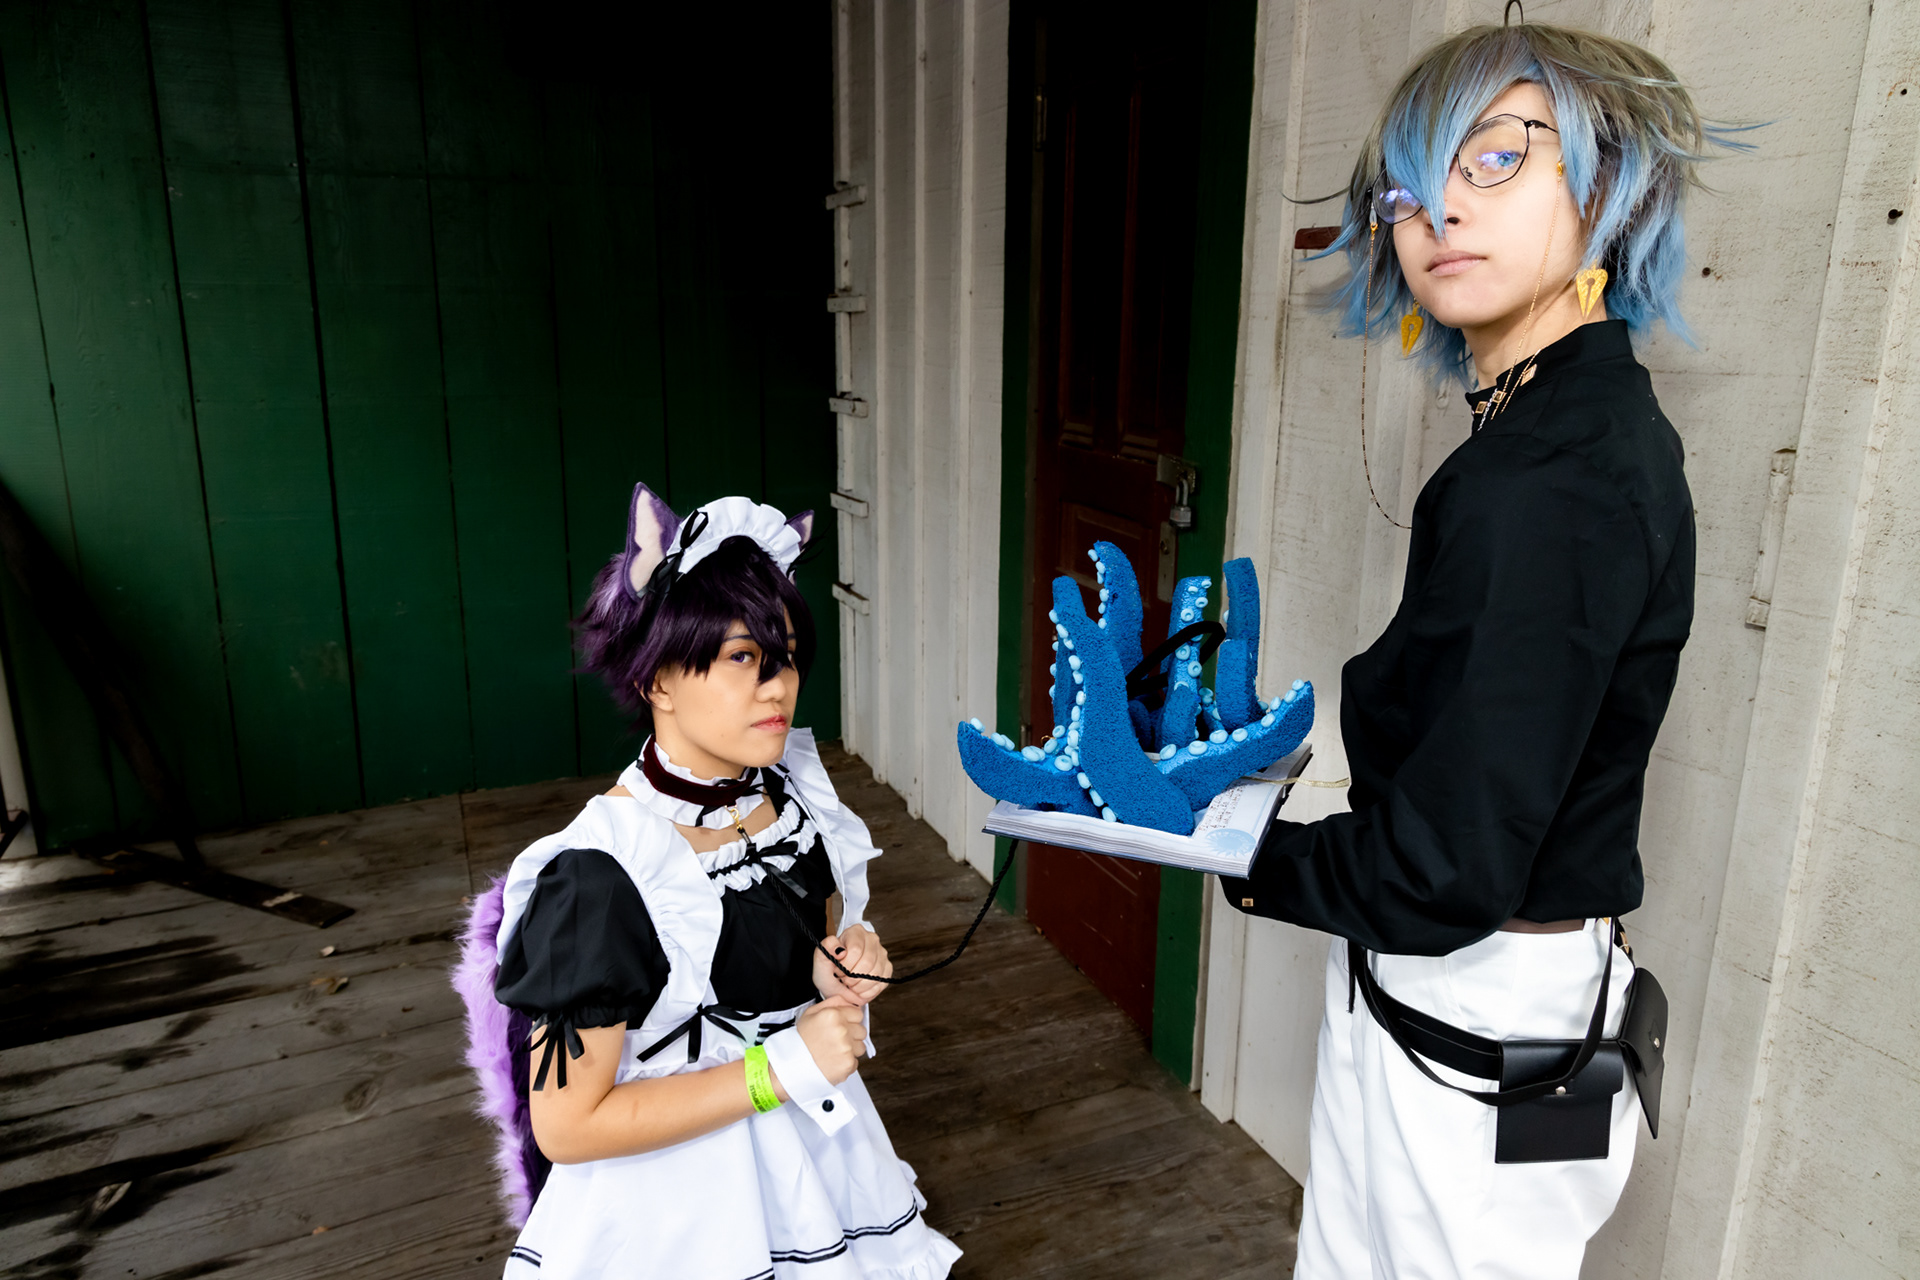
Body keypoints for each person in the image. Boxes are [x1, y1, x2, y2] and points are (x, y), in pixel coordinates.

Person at [1222, 21, 1742, 1280]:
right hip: (1508, 1007)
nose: (1440, 211)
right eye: (1408, 189)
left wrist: (1236, 852)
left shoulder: (1555, 473)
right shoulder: (1556, 427)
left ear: (1607, 185)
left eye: (1498, 158)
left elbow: (1445, 869)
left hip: (1479, 1013)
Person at [455, 484, 961, 1280]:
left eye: (784, 657)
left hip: (820, 1161)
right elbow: (569, 1126)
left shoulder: (787, 798)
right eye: (741, 658)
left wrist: (839, 961)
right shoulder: (601, 876)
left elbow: (803, 936)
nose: (778, 685)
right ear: (657, 679)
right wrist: (775, 1071)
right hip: (679, 1209)